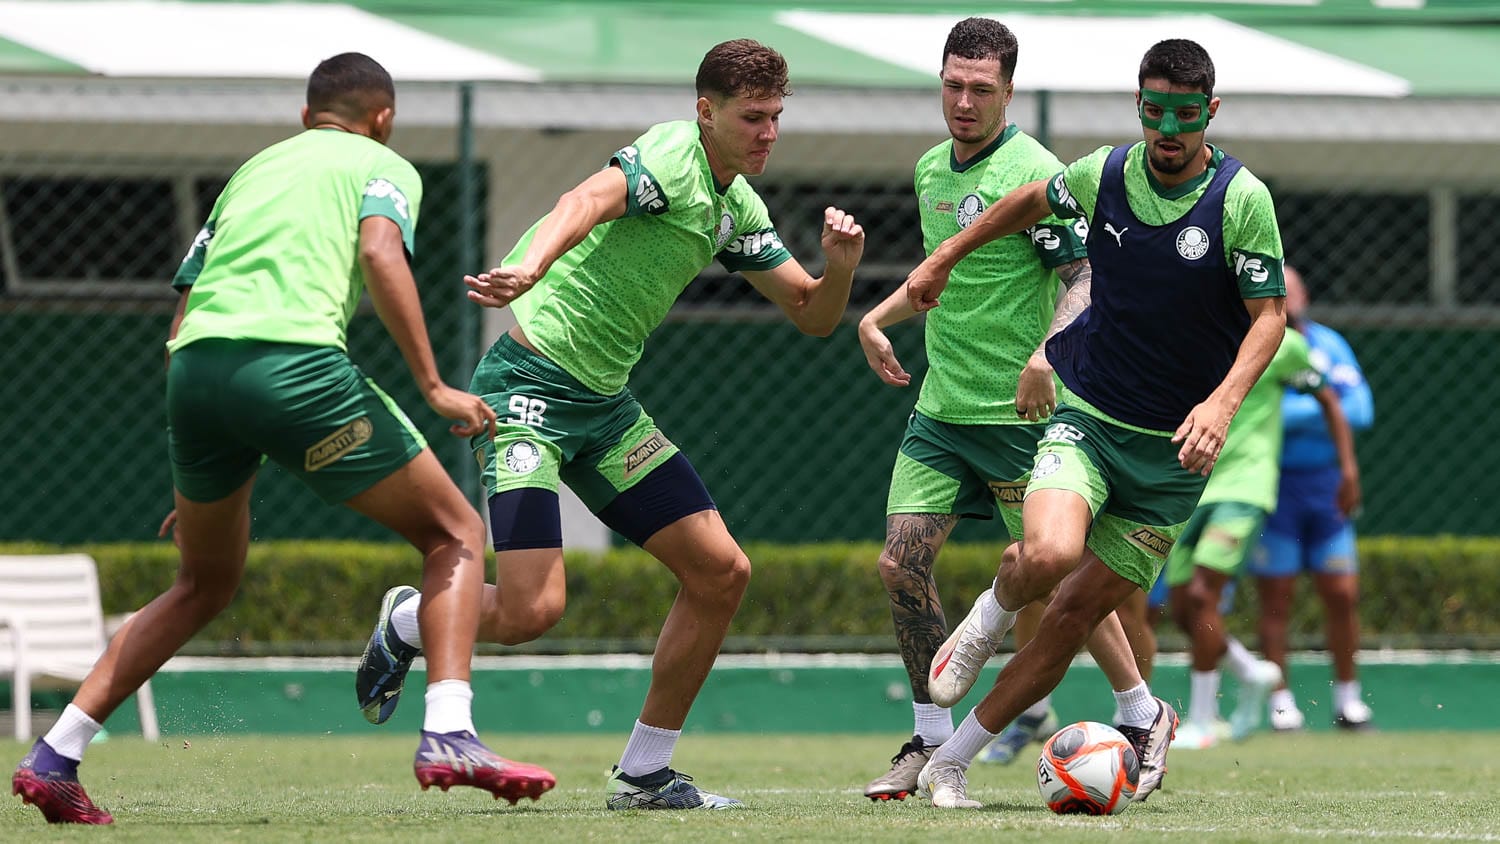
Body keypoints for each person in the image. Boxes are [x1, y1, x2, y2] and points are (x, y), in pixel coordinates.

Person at [9, 53, 554, 826]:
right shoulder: (381, 162)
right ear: (384, 118)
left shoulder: (253, 171)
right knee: (455, 532)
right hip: (294, 362)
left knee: (203, 581)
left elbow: (187, 309)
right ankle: (450, 732)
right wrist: (433, 386)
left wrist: (199, 461)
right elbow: (378, 251)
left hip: (194, 373)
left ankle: (55, 755)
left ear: (306, 117)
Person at [354, 39, 865, 811]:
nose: (768, 133)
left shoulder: (735, 208)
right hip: (528, 388)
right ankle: (407, 619)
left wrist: (843, 269)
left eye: (775, 118)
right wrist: (532, 267)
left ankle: (644, 774)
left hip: (605, 409)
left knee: (722, 573)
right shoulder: (671, 155)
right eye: (751, 117)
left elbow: (811, 315)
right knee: (532, 612)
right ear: (706, 112)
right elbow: (584, 202)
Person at [904, 38, 1288, 809]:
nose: (1167, 128)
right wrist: (949, 251)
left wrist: (1220, 405)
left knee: (1075, 614)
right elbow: (1029, 201)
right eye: (1154, 111)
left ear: (1209, 112)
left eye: (1184, 113)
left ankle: (951, 764)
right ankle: (985, 620)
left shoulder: (1241, 199)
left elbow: (1269, 317)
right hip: (1089, 420)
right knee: (1047, 554)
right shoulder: (1105, 172)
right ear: (1139, 108)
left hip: (1171, 461)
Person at [856, 17, 1160, 800]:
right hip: (941, 411)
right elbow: (936, 275)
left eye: (980, 90)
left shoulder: (1034, 170)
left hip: (1020, 419)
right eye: (953, 85)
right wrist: (875, 318)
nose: (963, 101)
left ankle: (1140, 710)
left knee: (1058, 584)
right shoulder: (930, 170)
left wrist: (1041, 357)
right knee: (900, 566)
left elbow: (1089, 277)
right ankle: (926, 743)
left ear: (1008, 93)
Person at [1165, 324, 1361, 749]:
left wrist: (1348, 469)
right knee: (1181, 608)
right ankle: (1249, 671)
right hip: (1190, 485)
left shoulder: (1283, 344)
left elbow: (1329, 398)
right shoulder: (1192, 332)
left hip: (1245, 485)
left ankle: (1202, 720)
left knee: (1202, 596)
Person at [1250, 265, 1376, 731]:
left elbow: (1360, 410)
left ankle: (1348, 700)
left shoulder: (1328, 344)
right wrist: (1321, 406)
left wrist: (1290, 407)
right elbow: (1252, 408)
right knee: (1276, 596)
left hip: (1325, 485)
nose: (1288, 295)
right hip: (1274, 484)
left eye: (1294, 286)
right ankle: (1281, 702)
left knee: (1342, 592)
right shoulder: (1251, 346)